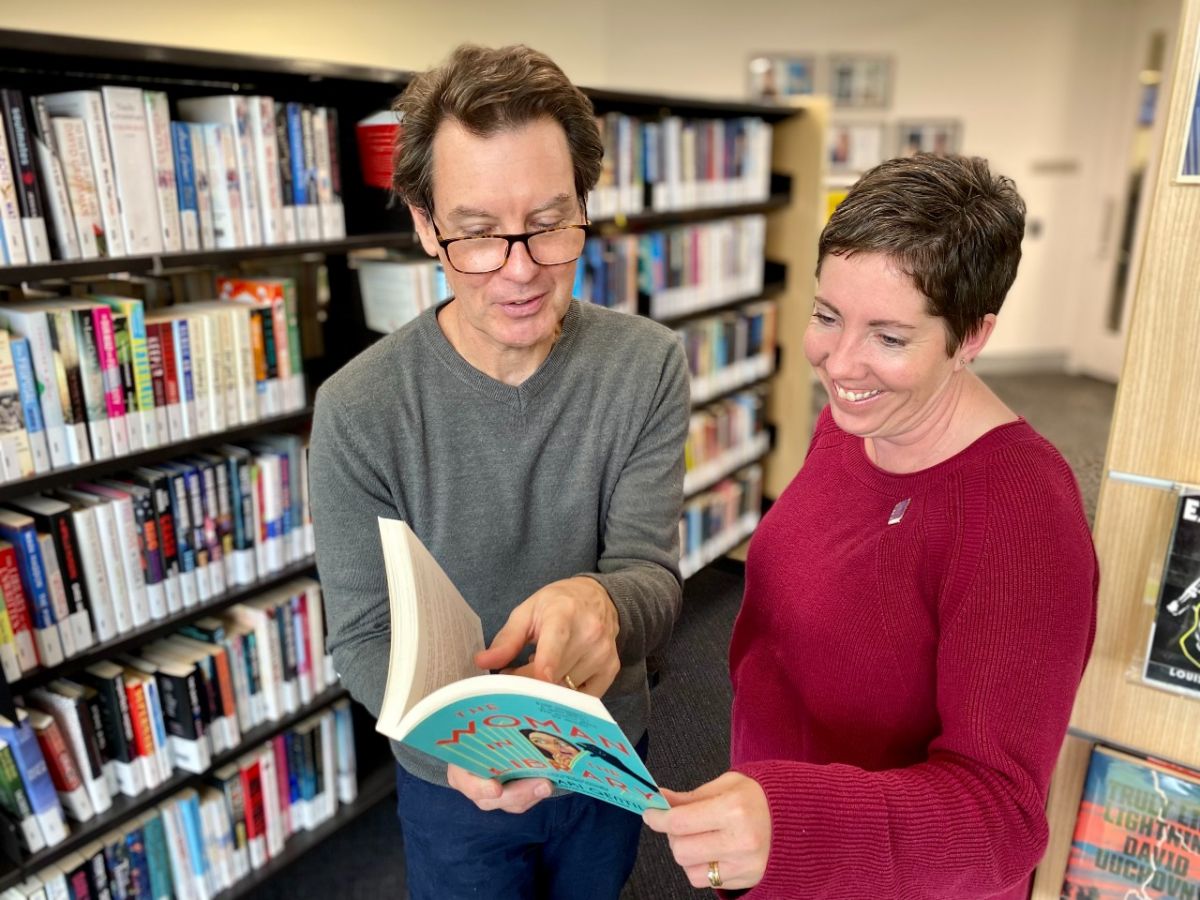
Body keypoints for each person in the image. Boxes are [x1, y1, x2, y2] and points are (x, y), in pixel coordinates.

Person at [644, 154, 1099, 899]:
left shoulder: (1022, 519)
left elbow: (1002, 817)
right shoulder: (855, 422)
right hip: (778, 845)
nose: (839, 362)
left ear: (973, 335)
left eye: (889, 337)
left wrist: (792, 824)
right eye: (827, 316)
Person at [308, 44, 689, 900]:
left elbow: (654, 583)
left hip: (603, 754)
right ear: (422, 223)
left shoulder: (647, 364)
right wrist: (459, 751)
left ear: (585, 205)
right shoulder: (357, 408)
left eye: (550, 224)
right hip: (451, 783)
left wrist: (602, 601)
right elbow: (364, 636)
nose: (519, 270)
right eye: (478, 234)